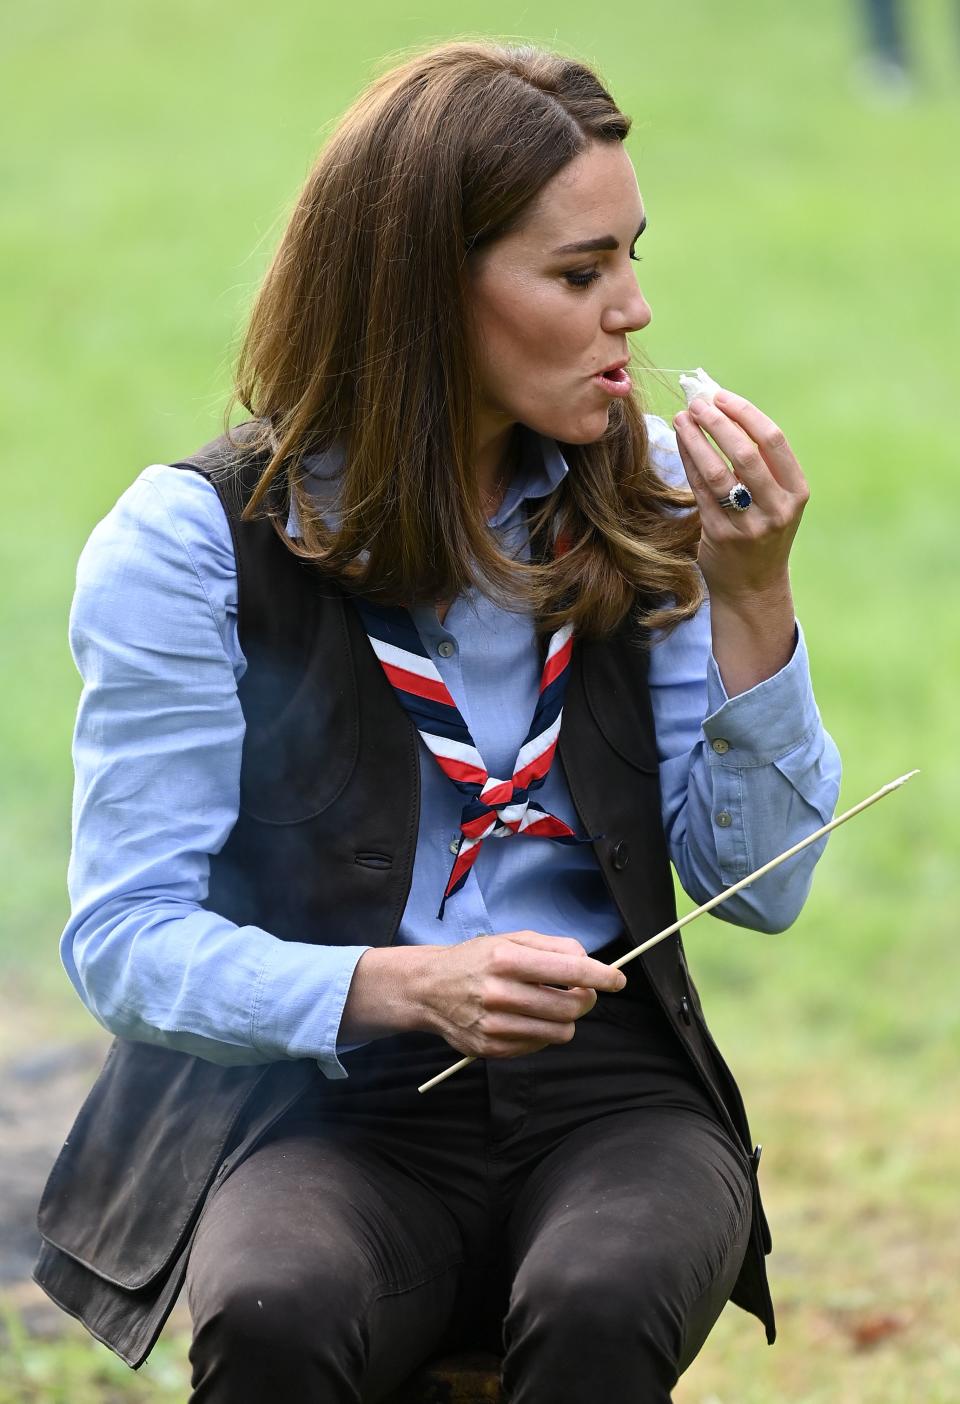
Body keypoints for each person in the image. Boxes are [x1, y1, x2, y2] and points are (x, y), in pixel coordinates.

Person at [35, 39, 842, 1404]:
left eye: (631, 258)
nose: (635, 312)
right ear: (420, 294)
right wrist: (400, 987)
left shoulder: (648, 491)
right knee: (279, 1313)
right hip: (328, 1102)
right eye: (581, 275)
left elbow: (759, 890)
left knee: (603, 1299)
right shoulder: (187, 546)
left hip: (615, 1094)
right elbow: (124, 943)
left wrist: (752, 599)